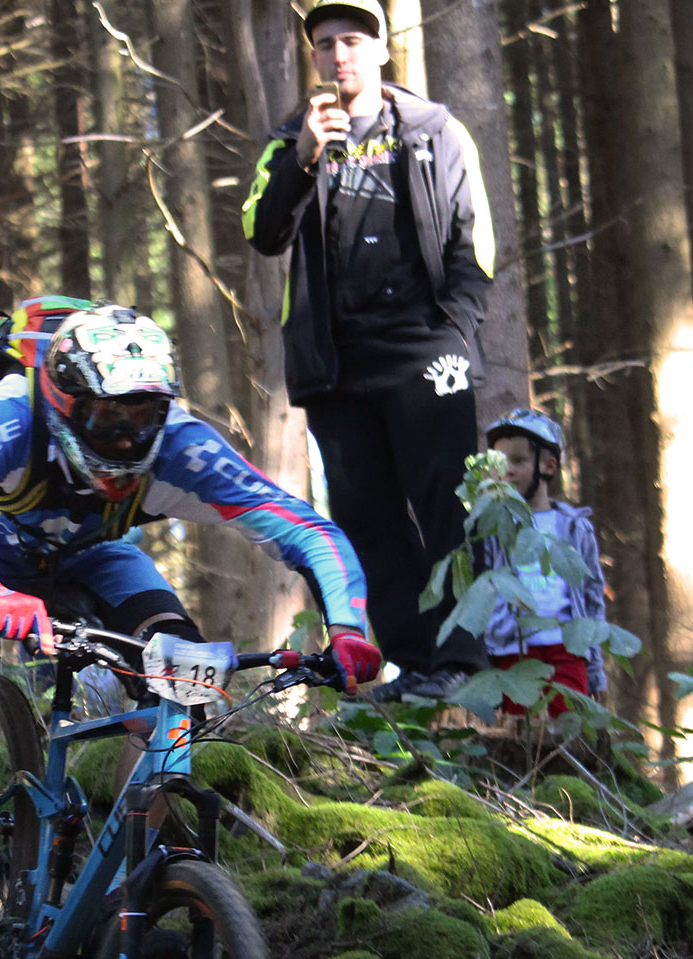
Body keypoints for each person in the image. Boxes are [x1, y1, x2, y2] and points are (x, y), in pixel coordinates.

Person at [0, 302, 382, 959]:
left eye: (142, 419)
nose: (125, 440)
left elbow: (305, 528)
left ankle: (116, 893)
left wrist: (347, 626)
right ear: (65, 404)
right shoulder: (13, 413)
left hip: (93, 555)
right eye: (106, 419)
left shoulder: (180, 442)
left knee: (179, 690)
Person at [241, 0, 495, 701]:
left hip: (425, 351)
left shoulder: (434, 129)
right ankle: (415, 666)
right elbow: (262, 232)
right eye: (325, 45)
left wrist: (458, 330)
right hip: (337, 366)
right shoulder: (290, 139)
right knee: (368, 520)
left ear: (380, 49)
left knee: (448, 506)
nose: (338, 55)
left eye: (351, 40)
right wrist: (300, 161)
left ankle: (465, 663)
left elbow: (476, 242)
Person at [478, 410, 606, 716]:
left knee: (570, 732)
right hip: (513, 649)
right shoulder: (491, 527)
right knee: (519, 736)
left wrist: (596, 670)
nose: (506, 471)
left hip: (567, 648)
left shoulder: (575, 529)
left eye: (518, 461)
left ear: (548, 466)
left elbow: (592, 598)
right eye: (499, 463)